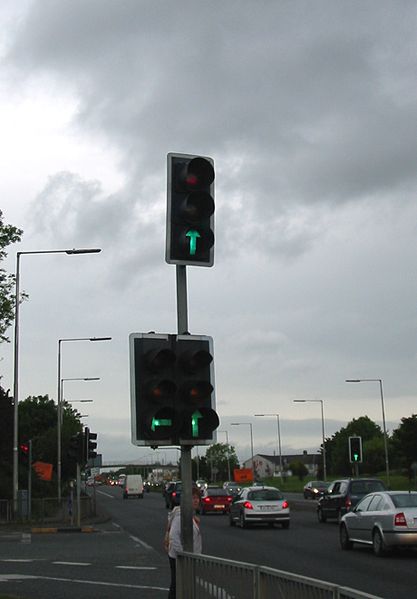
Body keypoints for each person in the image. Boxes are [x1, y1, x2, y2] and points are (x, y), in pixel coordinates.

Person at [166, 487, 202, 599]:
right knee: (177, 587)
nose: (196, 500)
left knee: (179, 587)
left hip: (184, 558)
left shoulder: (188, 514)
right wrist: (183, 555)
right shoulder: (181, 515)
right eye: (193, 498)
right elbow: (174, 536)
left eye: (197, 498)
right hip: (179, 559)